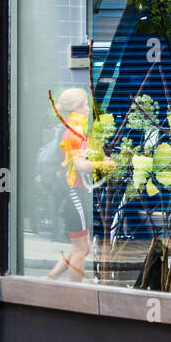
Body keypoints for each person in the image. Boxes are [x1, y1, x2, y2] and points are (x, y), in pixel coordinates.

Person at [45, 87, 115, 281]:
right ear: (75, 108)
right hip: (73, 194)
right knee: (81, 248)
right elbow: (80, 165)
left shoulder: (71, 129)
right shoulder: (73, 132)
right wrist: (104, 164)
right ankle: (74, 293)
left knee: (82, 247)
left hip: (72, 193)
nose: (87, 108)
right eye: (84, 104)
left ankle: (51, 279)